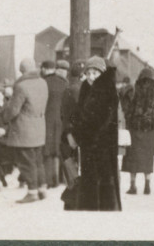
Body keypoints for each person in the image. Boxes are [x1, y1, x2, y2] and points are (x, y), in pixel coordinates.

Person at [67, 56, 122, 211]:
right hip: (89, 146)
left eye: (95, 73)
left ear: (102, 73)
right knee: (91, 181)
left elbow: (98, 121)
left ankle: (104, 212)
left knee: (103, 182)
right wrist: (73, 126)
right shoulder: (87, 88)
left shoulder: (106, 91)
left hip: (101, 146)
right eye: (89, 73)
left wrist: (77, 132)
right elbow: (80, 113)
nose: (91, 77)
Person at [2, 57, 49, 204]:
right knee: (38, 161)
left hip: (24, 130)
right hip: (39, 127)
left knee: (26, 162)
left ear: (21, 71)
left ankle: (32, 192)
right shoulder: (43, 82)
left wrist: (5, 116)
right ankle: (42, 189)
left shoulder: (21, 86)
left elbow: (14, 110)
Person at [123, 67, 154, 195]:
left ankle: (133, 186)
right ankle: (147, 185)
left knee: (133, 157)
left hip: (135, 128)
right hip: (149, 129)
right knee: (147, 157)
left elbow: (128, 110)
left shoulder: (134, 91)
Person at [41, 60, 66, 189]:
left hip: (46, 119)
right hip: (60, 120)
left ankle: (48, 180)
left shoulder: (43, 82)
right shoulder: (63, 82)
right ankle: (57, 178)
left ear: (44, 69)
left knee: (47, 149)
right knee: (57, 148)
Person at [60, 60, 84, 188]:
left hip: (70, 129)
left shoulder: (68, 89)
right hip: (82, 129)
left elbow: (64, 113)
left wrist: (68, 132)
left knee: (66, 154)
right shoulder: (85, 89)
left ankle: (74, 180)